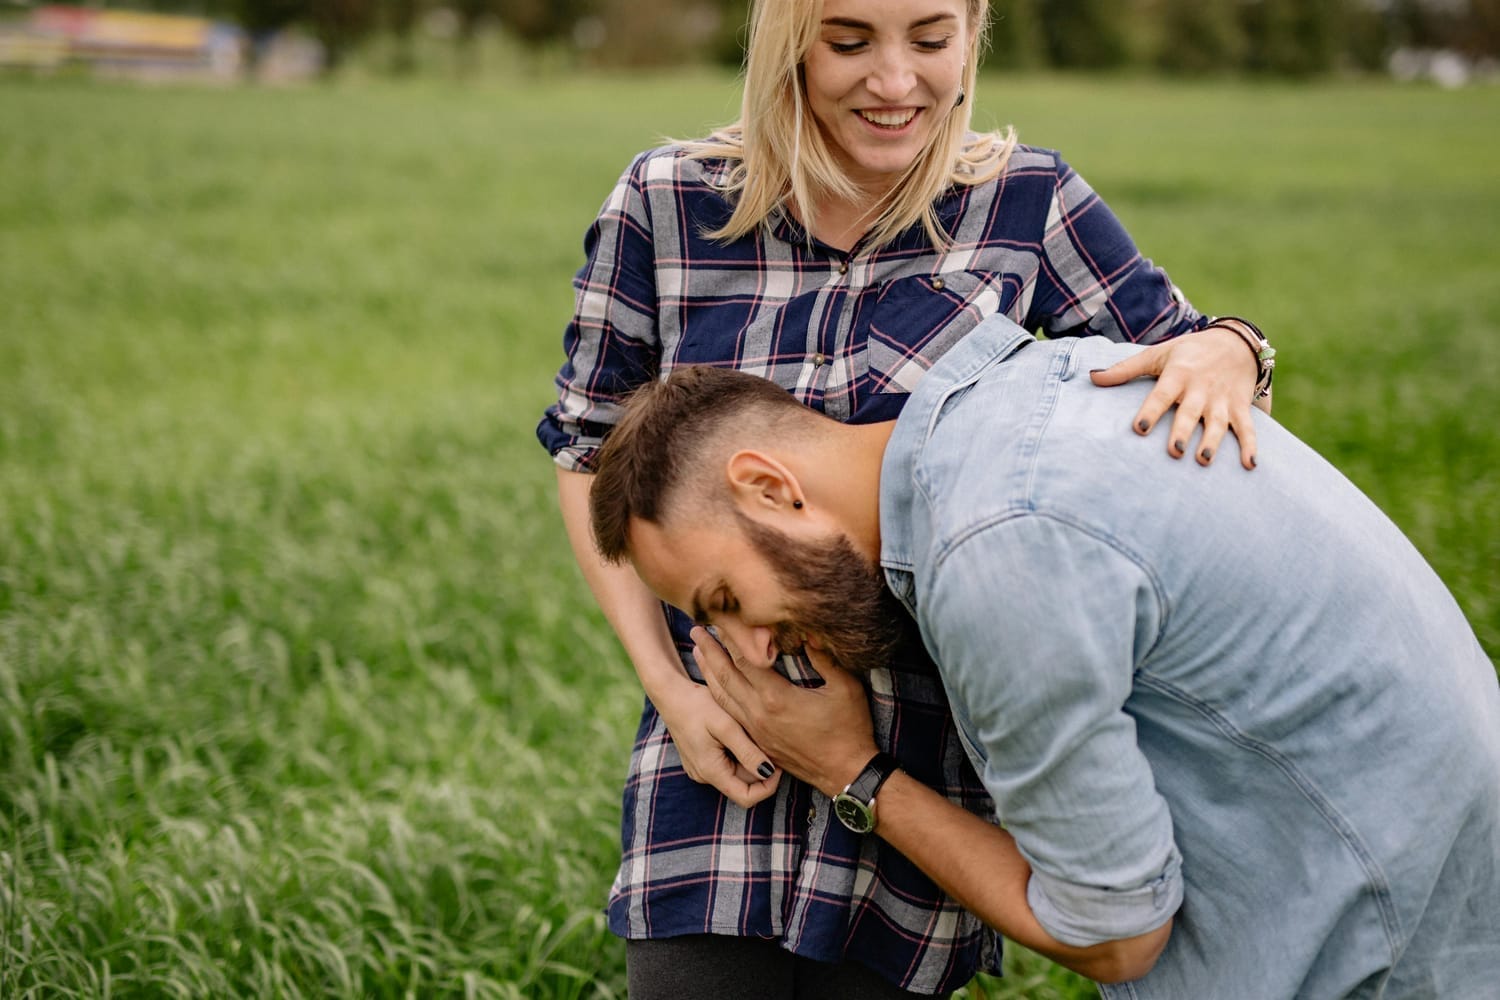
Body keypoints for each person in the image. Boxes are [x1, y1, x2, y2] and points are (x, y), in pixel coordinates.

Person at [538, 0, 1279, 993]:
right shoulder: (668, 203)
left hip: (922, 776)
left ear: (972, 34)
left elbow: (1182, 355)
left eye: (930, 39)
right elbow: (588, 452)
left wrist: (1233, 349)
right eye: (849, 42)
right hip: (723, 756)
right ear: (787, 46)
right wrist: (673, 690)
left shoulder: (1028, 202)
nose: (895, 81)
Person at [583, 314, 1500, 997]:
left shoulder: (992, 553)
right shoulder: (1041, 386)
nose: (747, 650)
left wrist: (847, 770)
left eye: (727, 601)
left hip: (1379, 947)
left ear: (769, 487)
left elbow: (1115, 934)